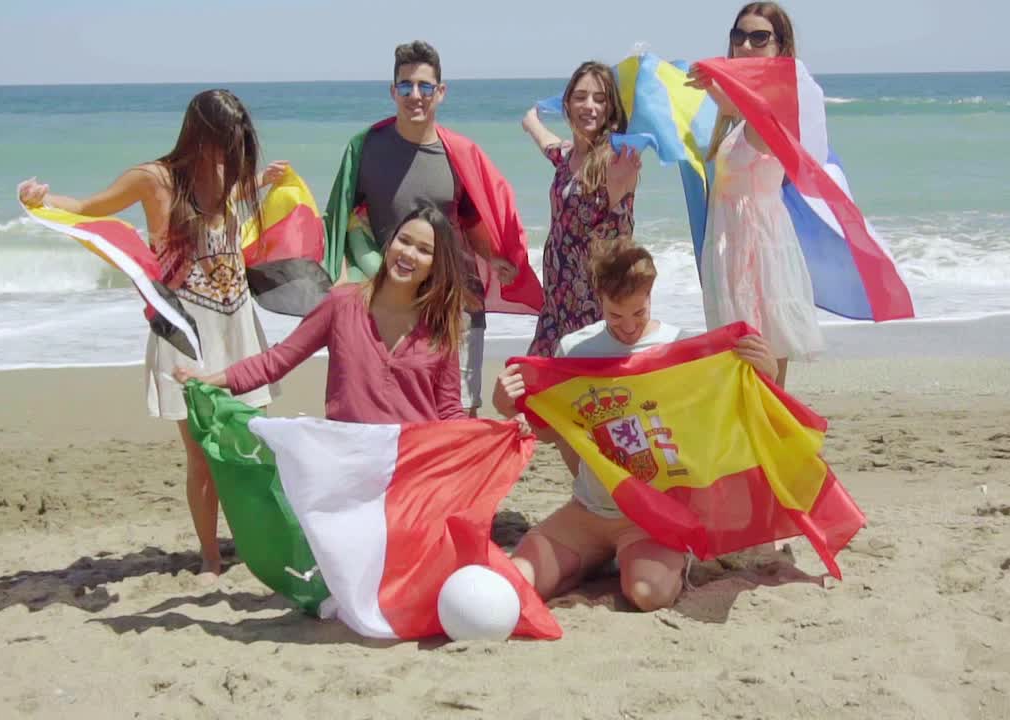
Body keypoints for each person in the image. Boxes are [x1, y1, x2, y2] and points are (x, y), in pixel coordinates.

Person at [18, 89, 287, 577]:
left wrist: (263, 185)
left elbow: (238, 229)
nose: (234, 151)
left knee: (251, 444)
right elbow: (88, 206)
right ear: (200, 133)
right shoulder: (154, 179)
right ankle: (210, 557)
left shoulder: (232, 175)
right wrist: (41, 200)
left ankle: (251, 540)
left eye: (240, 141)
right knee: (203, 456)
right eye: (227, 140)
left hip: (238, 326)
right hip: (185, 332)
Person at [493, 239, 777, 611]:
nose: (628, 327)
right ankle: (588, 564)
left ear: (651, 293)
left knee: (647, 596)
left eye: (638, 313)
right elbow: (553, 432)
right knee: (516, 584)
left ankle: (673, 555)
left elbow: (725, 421)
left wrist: (766, 377)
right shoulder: (576, 350)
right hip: (590, 510)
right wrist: (504, 405)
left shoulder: (679, 348)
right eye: (615, 316)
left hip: (653, 516)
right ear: (599, 298)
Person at [323, 40, 541, 418]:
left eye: (425, 86)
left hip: (455, 301)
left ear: (441, 92)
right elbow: (343, 219)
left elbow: (473, 217)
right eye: (405, 86)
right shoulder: (366, 147)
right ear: (393, 91)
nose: (415, 96)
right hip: (390, 301)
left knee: (458, 411)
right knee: (393, 409)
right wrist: (345, 281)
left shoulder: (459, 153)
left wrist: (492, 257)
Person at [175, 202, 467, 424]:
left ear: (436, 265)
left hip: (414, 467)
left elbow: (449, 410)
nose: (408, 254)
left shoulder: (440, 327)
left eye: (424, 250)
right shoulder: (340, 305)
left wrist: (499, 433)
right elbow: (277, 360)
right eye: (404, 241)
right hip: (347, 459)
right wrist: (209, 380)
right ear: (389, 243)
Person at [687, 1, 824, 387]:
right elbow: (738, 107)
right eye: (739, 36)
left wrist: (716, 82)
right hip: (732, 249)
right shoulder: (734, 117)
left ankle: (778, 443)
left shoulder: (777, 106)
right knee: (745, 374)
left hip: (757, 252)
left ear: (780, 47)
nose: (746, 45)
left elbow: (760, 112)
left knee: (763, 371)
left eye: (759, 38)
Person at [521, 61, 641, 357]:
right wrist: (531, 121)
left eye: (600, 99)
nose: (590, 106)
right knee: (538, 390)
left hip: (594, 302)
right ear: (567, 104)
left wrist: (617, 188)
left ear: (610, 109)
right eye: (581, 97)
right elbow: (547, 143)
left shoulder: (616, 160)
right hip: (557, 299)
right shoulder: (566, 157)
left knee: (585, 392)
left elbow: (619, 234)